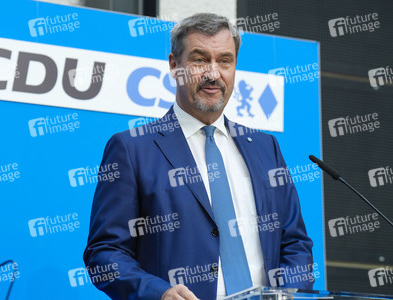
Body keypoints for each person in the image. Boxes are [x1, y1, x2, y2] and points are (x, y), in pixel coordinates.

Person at [83, 13, 313, 300]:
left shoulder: (266, 148)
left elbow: (295, 243)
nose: (213, 73)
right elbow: (104, 253)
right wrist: (159, 293)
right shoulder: (132, 149)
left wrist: (292, 294)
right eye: (200, 59)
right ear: (173, 65)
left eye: (224, 61)